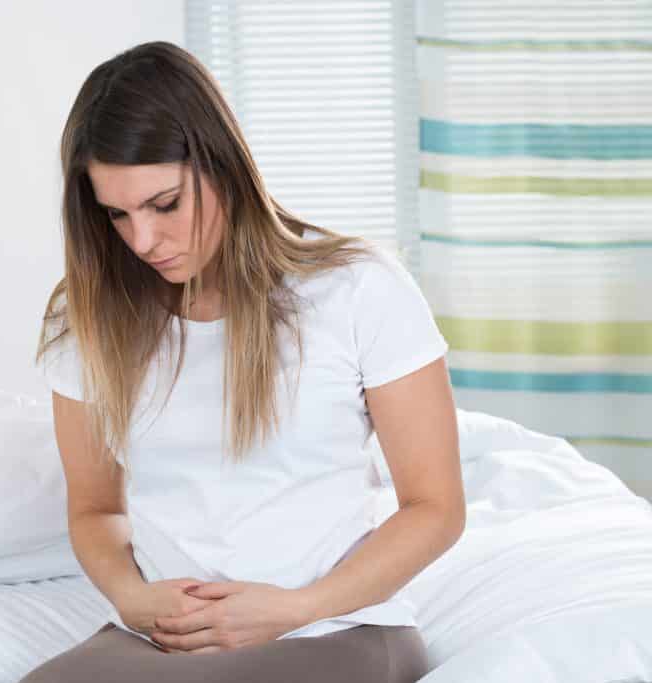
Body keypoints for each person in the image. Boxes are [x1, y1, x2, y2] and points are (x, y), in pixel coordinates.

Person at [23, 40, 465, 683]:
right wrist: (133, 597)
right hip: (161, 643)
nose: (143, 241)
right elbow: (95, 509)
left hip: (334, 627)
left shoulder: (359, 288)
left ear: (222, 166)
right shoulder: (89, 317)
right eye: (117, 215)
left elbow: (436, 506)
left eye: (164, 204)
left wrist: (294, 609)